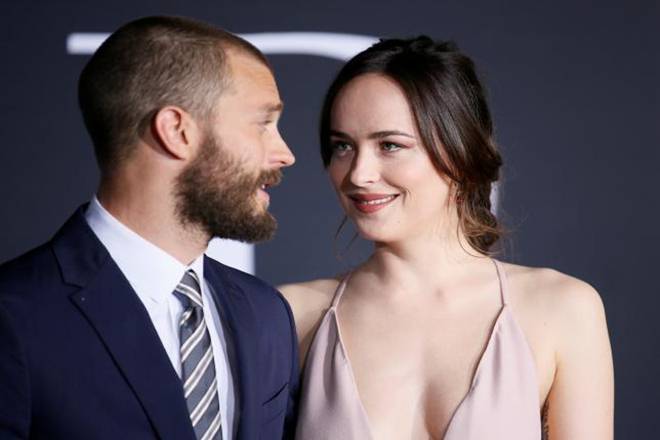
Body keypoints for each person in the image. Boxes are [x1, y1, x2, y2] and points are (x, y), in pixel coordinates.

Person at [280, 37, 614, 440]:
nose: (359, 174)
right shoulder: (292, 315)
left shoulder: (562, 308)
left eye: (390, 145)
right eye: (342, 147)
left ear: (459, 152)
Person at [0, 16, 298, 440]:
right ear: (176, 131)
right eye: (263, 123)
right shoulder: (15, 316)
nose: (284, 154)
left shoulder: (266, 312)